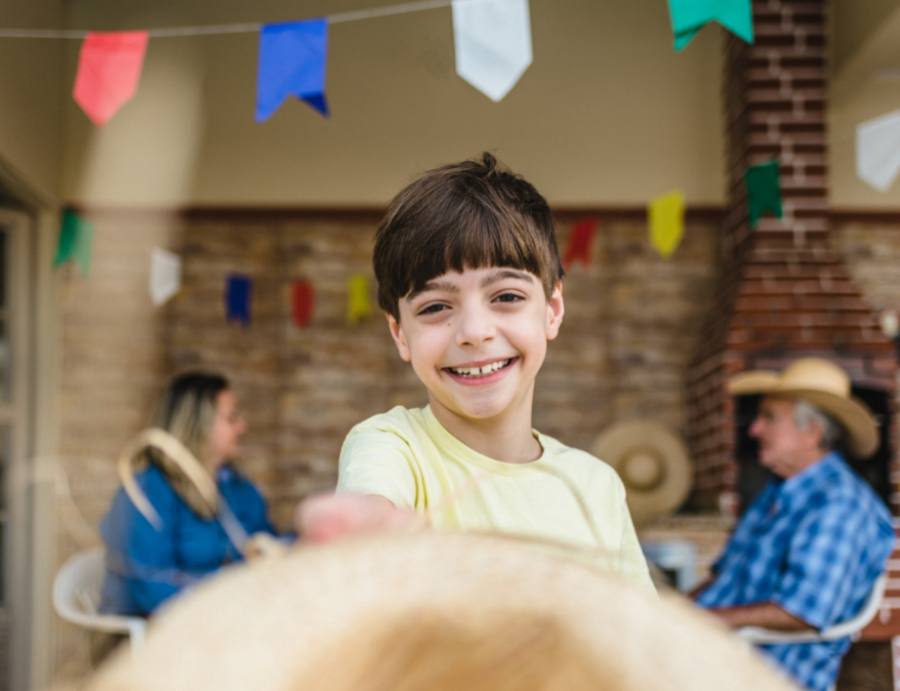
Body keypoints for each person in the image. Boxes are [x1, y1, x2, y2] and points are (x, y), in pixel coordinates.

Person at [297, 153, 653, 591]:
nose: (474, 332)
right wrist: (369, 530)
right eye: (435, 307)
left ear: (553, 310)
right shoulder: (392, 445)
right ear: (400, 334)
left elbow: (641, 643)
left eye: (506, 296)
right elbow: (377, 504)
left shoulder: (597, 486)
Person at [693, 358, 895, 691]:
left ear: (811, 433)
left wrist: (702, 622)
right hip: (711, 652)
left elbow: (802, 610)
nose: (754, 429)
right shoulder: (778, 488)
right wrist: (674, 610)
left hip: (761, 673)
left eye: (768, 418)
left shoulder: (839, 504)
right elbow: (723, 575)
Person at [99, 372, 278, 617]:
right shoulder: (145, 492)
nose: (242, 426)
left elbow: (267, 545)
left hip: (227, 620)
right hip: (161, 633)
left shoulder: (238, 488)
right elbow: (151, 586)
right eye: (231, 417)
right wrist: (230, 599)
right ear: (198, 425)